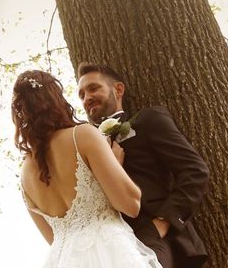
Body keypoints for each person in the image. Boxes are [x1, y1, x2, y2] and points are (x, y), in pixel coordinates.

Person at [11, 70, 161, 268]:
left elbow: (53, 239)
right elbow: (131, 205)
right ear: (56, 99)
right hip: (111, 252)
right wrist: (114, 164)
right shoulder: (81, 135)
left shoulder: (24, 175)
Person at [77, 63, 210, 268]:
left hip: (158, 236)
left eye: (94, 88)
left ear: (118, 89)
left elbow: (195, 171)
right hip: (113, 244)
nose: (87, 98)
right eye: (82, 95)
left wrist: (164, 222)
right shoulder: (85, 148)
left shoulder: (148, 120)